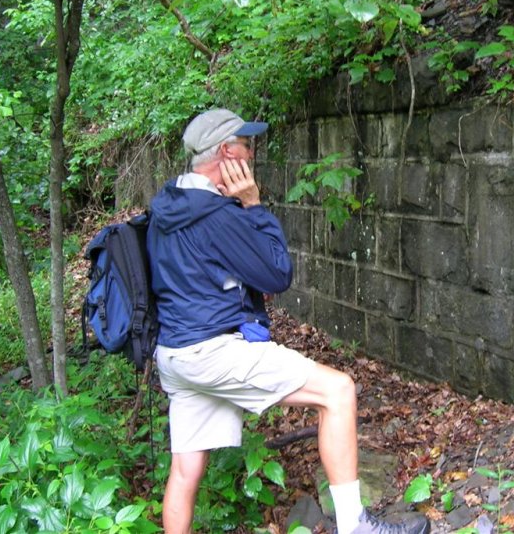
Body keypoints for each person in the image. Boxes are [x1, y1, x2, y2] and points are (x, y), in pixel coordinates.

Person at [147, 109, 430, 534]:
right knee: (338, 391)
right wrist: (254, 204)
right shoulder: (217, 215)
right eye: (247, 145)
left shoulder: (167, 206)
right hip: (212, 350)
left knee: (186, 471)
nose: (252, 152)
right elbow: (277, 274)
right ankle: (357, 527)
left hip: (175, 355)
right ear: (227, 152)